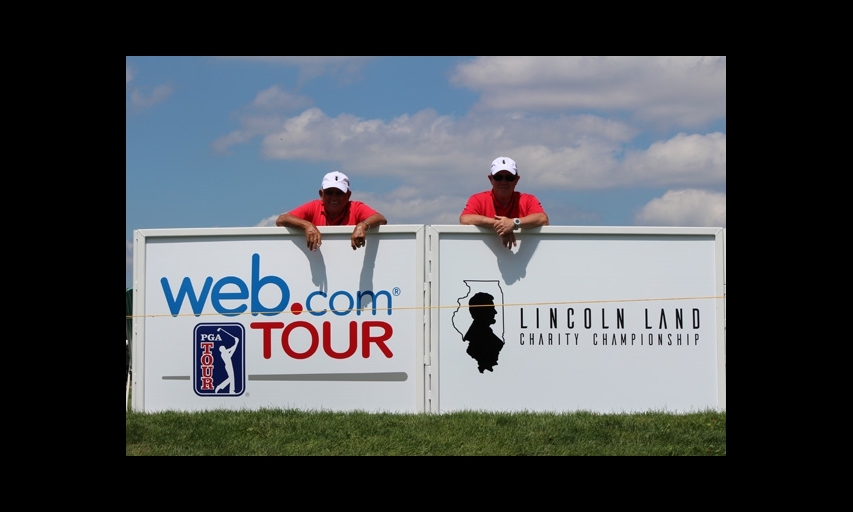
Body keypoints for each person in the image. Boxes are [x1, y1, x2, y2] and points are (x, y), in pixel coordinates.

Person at [276, 171, 387, 251]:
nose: (334, 197)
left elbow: (381, 219)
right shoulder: (314, 206)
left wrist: (363, 225)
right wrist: (307, 225)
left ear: (348, 195)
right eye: (329, 192)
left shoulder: (355, 207)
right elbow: (281, 219)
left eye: (339, 193)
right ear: (321, 194)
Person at [460, 156, 549, 249]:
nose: (504, 182)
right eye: (498, 177)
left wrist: (514, 223)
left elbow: (543, 219)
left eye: (509, 177)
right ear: (491, 179)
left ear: (516, 180)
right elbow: (465, 219)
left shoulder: (528, 200)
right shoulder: (478, 199)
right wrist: (500, 224)